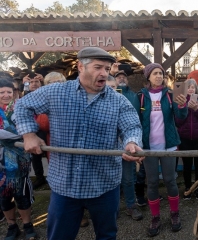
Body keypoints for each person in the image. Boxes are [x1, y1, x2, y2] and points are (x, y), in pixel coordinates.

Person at [14, 47, 143, 240]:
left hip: (104, 185)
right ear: (80, 66)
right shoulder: (55, 92)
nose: (104, 73)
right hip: (65, 186)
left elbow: (132, 126)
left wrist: (132, 143)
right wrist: (29, 134)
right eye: (98, 67)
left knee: (107, 235)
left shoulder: (118, 101)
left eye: (107, 69)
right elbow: (22, 106)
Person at [139, 63, 187, 237]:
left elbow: (180, 119)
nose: (159, 76)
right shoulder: (141, 97)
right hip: (148, 147)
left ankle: (174, 214)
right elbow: (137, 120)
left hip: (169, 145)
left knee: (170, 180)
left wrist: (182, 107)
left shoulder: (169, 95)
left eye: (161, 73)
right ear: (148, 77)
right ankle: (155, 217)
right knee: (151, 182)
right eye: (155, 73)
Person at [0, 79, 37, 240]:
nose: (6, 95)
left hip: (20, 158)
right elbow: (20, 131)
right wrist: (17, 133)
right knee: (4, 194)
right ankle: (11, 225)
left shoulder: (21, 107)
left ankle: (28, 224)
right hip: (1, 161)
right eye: (2, 92)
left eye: (9, 91)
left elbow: (31, 126)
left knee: (21, 193)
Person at [110, 68, 144, 220]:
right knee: (112, 179)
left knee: (129, 178)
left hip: (127, 143)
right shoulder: (103, 97)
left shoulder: (134, 96)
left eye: (124, 77)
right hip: (110, 146)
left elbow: (136, 120)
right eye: (119, 77)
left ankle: (131, 205)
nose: (121, 79)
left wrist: (135, 140)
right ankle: (113, 208)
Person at [175, 79, 198, 200]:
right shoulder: (180, 102)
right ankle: (188, 188)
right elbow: (178, 122)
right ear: (185, 89)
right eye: (188, 87)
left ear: (196, 89)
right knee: (187, 165)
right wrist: (184, 108)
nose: (190, 89)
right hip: (185, 138)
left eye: (193, 87)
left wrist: (196, 110)